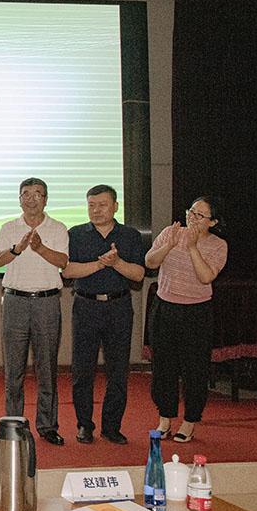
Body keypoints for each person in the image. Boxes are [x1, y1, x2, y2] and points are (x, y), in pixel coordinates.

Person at [61, 184, 146, 445]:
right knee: (82, 370)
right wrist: (99, 264)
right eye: (91, 205)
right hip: (85, 306)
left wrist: (117, 263)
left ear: (116, 207)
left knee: (118, 370)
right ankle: (84, 425)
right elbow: (67, 271)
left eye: (102, 205)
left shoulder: (130, 235)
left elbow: (138, 274)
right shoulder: (76, 234)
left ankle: (112, 426)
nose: (96, 210)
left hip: (119, 307)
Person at [145, 196, 227, 444]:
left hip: (196, 313)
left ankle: (190, 421)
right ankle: (165, 418)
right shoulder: (171, 232)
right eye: (191, 212)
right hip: (165, 308)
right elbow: (150, 262)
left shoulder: (218, 245)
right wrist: (169, 245)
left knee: (194, 369)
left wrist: (192, 247)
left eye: (200, 215)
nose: (192, 218)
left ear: (212, 222)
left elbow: (206, 277)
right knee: (163, 367)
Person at [0, 177, 69, 446]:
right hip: (15, 301)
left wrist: (39, 248)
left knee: (46, 368)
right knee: (13, 370)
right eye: (26, 194)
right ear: (19, 200)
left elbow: (63, 262)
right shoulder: (8, 227)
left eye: (38, 194)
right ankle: (14, 424)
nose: (31, 199)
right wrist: (18, 248)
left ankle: (47, 426)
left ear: (46, 199)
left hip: (46, 302)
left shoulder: (58, 228)